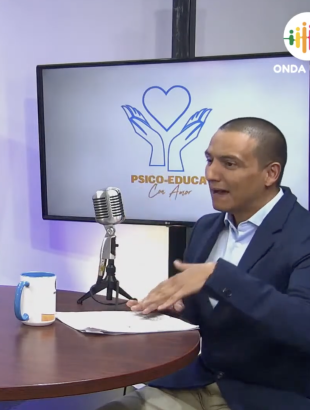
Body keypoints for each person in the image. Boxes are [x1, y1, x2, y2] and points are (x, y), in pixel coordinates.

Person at [98, 117, 310, 410]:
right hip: (194, 382)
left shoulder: (303, 233)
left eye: (229, 164)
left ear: (270, 173)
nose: (211, 174)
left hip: (262, 396)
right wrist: (171, 309)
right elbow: (203, 318)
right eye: (209, 160)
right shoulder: (206, 227)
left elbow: (302, 325)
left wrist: (218, 276)